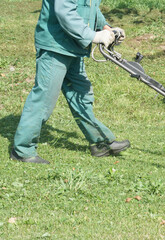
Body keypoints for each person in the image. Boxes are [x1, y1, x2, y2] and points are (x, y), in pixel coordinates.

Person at [10, 0, 130, 164]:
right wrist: (93, 36)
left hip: (73, 47)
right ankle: (22, 150)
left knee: (82, 95)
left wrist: (106, 28)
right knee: (44, 98)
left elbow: (90, 8)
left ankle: (100, 142)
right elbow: (65, 12)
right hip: (55, 46)